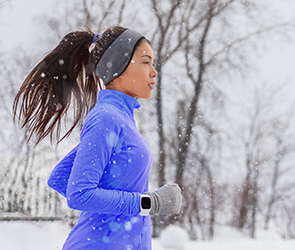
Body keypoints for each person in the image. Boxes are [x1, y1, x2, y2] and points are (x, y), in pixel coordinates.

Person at [13, 25, 182, 250]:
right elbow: (80, 193)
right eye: (145, 62)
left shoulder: (120, 119)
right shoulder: (106, 118)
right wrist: (149, 203)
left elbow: (61, 177)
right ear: (119, 67)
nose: (154, 71)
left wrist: (111, 207)